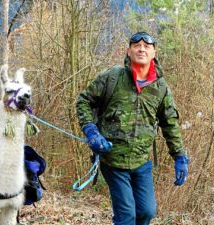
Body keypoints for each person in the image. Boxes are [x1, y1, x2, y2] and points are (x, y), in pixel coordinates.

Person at [76, 31, 189, 225]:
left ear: (154, 53)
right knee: (126, 216)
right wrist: (90, 130)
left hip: (142, 162)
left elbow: (169, 123)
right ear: (128, 51)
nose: (142, 49)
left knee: (146, 212)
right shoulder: (113, 77)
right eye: (137, 46)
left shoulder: (160, 88)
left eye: (147, 46)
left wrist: (179, 156)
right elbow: (84, 100)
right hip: (113, 160)